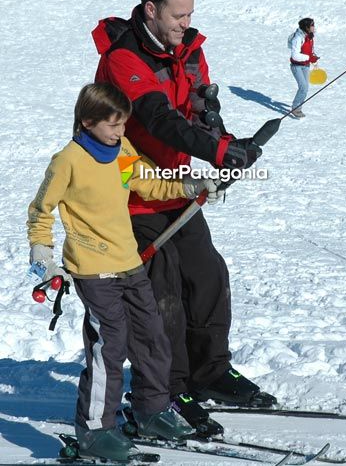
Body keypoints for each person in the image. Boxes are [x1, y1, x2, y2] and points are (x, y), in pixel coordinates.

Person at [92, 0, 277, 436]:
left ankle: (209, 370)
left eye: (190, 13)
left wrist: (229, 145)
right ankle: (167, 389)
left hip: (176, 185)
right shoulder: (123, 59)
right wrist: (216, 152)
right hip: (133, 190)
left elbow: (198, 109)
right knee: (164, 291)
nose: (185, 23)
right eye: (178, 15)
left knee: (208, 274)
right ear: (151, 10)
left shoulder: (189, 51)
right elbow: (156, 118)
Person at [27, 82, 221, 460]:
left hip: (129, 261)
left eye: (123, 124)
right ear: (87, 121)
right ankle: (96, 431)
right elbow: (40, 211)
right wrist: (43, 254)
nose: (120, 131)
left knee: (153, 336)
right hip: (93, 269)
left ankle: (151, 410)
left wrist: (190, 184)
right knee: (109, 346)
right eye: (114, 125)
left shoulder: (121, 152)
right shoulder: (68, 160)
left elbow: (149, 184)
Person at [288, 17, 319, 118]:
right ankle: (296, 108)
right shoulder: (298, 38)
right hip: (296, 66)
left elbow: (310, 50)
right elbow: (294, 55)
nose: (314, 27)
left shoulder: (310, 36)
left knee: (305, 88)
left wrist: (313, 57)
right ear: (306, 27)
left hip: (306, 65)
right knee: (303, 87)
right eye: (312, 25)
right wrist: (309, 57)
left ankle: (298, 107)